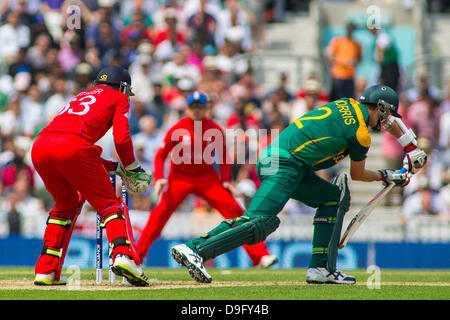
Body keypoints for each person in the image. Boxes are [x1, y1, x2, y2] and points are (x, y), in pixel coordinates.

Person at [170, 85, 428, 284]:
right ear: (380, 107)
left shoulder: (347, 103)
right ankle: (195, 250)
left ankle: (321, 269)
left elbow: (391, 122)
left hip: (289, 161)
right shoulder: (359, 134)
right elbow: (359, 175)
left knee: (332, 197)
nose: (387, 123)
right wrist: (390, 175)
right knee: (259, 221)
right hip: (283, 163)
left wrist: (411, 145)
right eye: (387, 114)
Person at [31, 66, 152, 286]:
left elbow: (68, 142)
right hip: (73, 147)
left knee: (64, 206)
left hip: (40, 146)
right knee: (109, 205)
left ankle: (45, 270)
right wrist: (132, 166)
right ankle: (123, 256)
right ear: (122, 87)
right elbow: (122, 139)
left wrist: (114, 166)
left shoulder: (81, 95)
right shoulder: (118, 97)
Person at [136, 91, 277, 268]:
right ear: (187, 109)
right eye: (193, 107)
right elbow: (160, 155)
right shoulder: (177, 128)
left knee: (234, 209)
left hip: (206, 178)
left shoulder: (214, 128)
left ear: (206, 109)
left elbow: (224, 156)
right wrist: (160, 178)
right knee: (158, 215)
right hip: (180, 178)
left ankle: (260, 256)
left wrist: (226, 180)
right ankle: (135, 258)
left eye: (200, 107)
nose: (196, 111)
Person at [326, 22, 362, 101]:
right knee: (336, 100)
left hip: (349, 76)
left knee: (349, 100)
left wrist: (354, 62)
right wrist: (344, 62)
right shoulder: (339, 41)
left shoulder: (356, 44)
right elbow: (330, 56)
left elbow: (359, 59)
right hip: (338, 75)